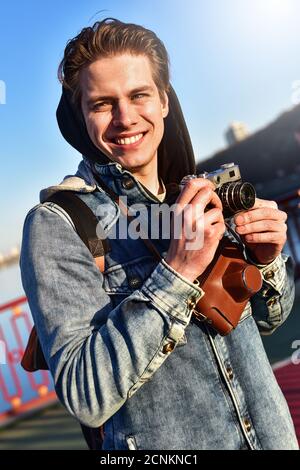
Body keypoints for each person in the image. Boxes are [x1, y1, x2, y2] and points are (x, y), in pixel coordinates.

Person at [20, 18, 298, 450]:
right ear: (81, 116)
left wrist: (267, 262)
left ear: (164, 101)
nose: (125, 118)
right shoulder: (59, 223)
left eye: (138, 95)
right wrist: (178, 269)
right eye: (102, 104)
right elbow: (85, 396)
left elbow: (268, 321)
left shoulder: (203, 193)